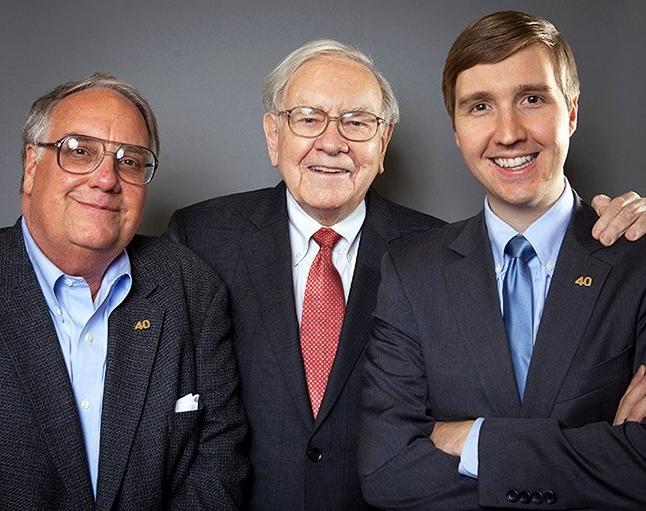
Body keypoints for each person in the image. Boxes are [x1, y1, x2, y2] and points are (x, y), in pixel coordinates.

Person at [167, 40, 645, 510]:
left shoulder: (433, 253)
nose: (331, 143)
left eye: (357, 122)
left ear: (383, 142)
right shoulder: (201, 238)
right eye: (308, 118)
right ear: (274, 135)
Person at [359, 11, 646, 510]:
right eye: (480, 107)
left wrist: (472, 440)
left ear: (571, 112)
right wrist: (600, 460)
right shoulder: (410, 271)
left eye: (531, 99)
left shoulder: (636, 258)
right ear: (456, 130)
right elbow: (386, 470)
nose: (508, 133)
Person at [0, 73, 248, 510]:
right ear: (32, 165)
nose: (106, 179)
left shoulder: (191, 286)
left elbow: (219, 460)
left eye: (130, 161)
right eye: (80, 151)